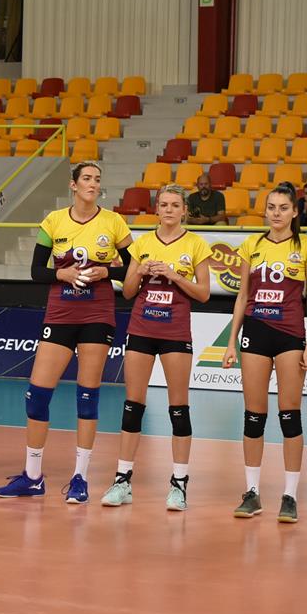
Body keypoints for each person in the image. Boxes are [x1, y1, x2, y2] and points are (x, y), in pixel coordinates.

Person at [0, 161, 133, 502]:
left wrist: (107, 272)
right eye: (86, 178)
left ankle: (80, 478)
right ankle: (32, 477)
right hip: (60, 314)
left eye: (97, 179)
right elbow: (35, 271)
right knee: (36, 395)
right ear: (73, 185)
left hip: (97, 315)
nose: (92, 184)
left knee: (87, 395)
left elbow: (133, 269)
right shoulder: (53, 221)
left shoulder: (113, 222)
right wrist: (62, 274)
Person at [102, 185, 211, 510]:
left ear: (184, 210)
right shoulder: (143, 243)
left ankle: (179, 483)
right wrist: (139, 271)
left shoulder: (196, 244)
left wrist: (175, 276)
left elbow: (204, 293)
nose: (168, 210)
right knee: (132, 405)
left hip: (175, 331)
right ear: (157, 209)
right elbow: (128, 292)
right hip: (141, 329)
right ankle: (122, 479)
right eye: (163, 204)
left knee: (178, 407)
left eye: (175, 205)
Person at [221, 182, 307, 522]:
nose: (276, 213)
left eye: (283, 208)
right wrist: (231, 341)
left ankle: (290, 495)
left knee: (289, 415)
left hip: (291, 335)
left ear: (294, 212)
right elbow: (242, 296)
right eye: (271, 207)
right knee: (254, 415)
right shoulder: (252, 244)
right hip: (256, 332)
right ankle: (252, 492)